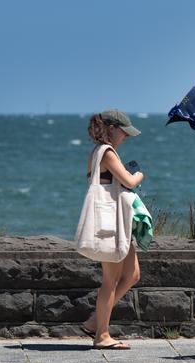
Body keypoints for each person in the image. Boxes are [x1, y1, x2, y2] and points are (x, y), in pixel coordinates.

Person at [80, 109, 144, 350]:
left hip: (116, 222)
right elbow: (128, 181)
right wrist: (138, 174)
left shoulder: (100, 153)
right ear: (112, 129)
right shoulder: (106, 153)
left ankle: (95, 321)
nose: (126, 136)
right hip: (110, 224)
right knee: (111, 279)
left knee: (133, 274)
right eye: (124, 132)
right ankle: (102, 336)